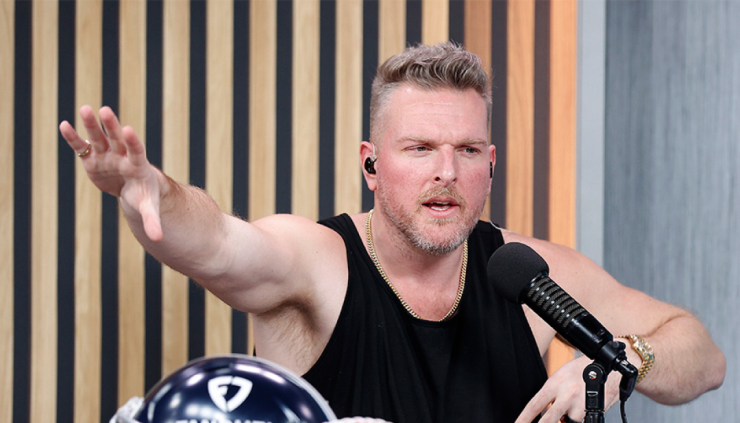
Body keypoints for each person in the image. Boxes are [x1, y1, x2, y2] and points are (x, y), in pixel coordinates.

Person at [60, 42, 725, 423]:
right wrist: (153, 193)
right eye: (420, 148)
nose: (446, 173)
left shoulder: (527, 273)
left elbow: (702, 354)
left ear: (491, 166)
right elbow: (215, 244)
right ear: (371, 165)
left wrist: (625, 358)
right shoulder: (316, 263)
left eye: (468, 151)